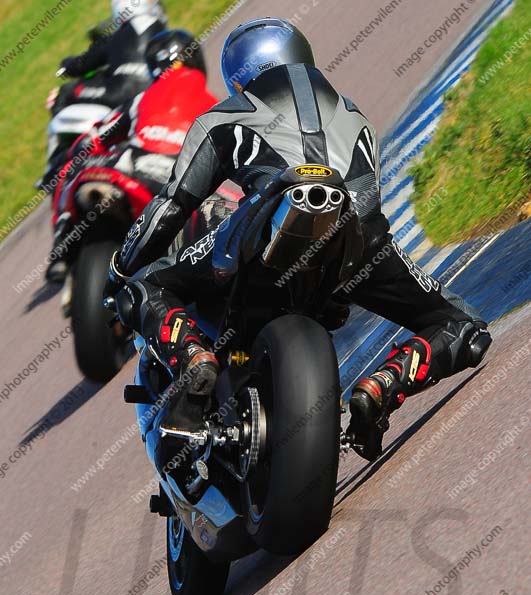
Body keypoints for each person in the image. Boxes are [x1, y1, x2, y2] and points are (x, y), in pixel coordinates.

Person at [106, 17, 492, 460]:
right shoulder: (355, 115)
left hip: (263, 227)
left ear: (239, 75)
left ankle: (195, 359)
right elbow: (369, 204)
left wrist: (119, 270)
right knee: (464, 327)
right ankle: (383, 384)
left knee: (145, 288)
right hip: (357, 239)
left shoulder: (222, 117)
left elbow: (172, 205)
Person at [46, 29, 216, 284]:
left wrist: (72, 159)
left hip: (131, 164)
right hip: (179, 180)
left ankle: (61, 248)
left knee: (71, 166)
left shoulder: (140, 99)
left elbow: (93, 139)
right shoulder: (216, 106)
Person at [52, 0, 167, 115]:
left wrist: (66, 65)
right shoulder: (165, 33)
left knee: (66, 92)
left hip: (120, 93)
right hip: (157, 94)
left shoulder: (116, 37)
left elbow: (82, 64)